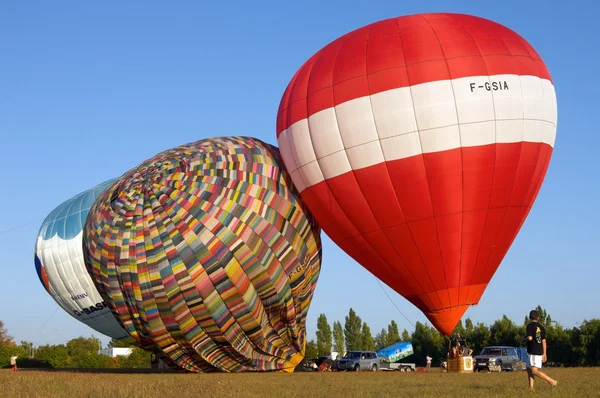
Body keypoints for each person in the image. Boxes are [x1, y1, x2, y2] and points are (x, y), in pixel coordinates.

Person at [522, 309, 558, 391]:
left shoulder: (530, 326)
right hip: (538, 351)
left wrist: (523, 339)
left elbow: (530, 338)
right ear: (538, 318)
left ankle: (552, 381)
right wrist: (544, 353)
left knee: (534, 371)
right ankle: (531, 388)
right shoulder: (541, 327)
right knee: (529, 369)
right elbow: (544, 341)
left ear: (529, 317)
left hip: (533, 351)